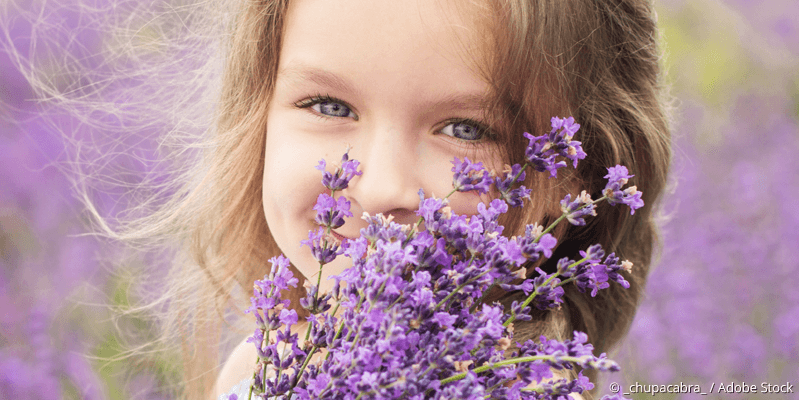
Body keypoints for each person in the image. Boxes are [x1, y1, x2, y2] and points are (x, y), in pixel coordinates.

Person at [4, 0, 671, 399]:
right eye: (329, 104)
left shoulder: (526, 386)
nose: (380, 188)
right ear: (256, 117)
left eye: (465, 129)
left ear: (573, 184)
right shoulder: (261, 366)